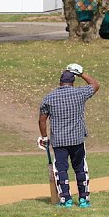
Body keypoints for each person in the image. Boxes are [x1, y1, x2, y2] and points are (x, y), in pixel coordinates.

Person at [38, 64, 100, 208]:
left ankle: (66, 200)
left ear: (60, 82)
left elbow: (42, 119)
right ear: (73, 82)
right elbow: (95, 85)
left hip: (59, 141)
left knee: (61, 170)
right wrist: (82, 73)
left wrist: (44, 137)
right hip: (77, 139)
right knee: (80, 168)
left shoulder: (49, 97)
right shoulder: (80, 93)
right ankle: (84, 199)